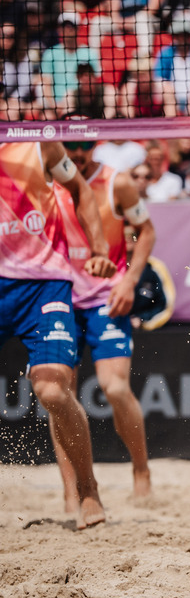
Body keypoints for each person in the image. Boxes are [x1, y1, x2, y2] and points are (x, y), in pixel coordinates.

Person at [0, 140, 116, 529]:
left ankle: (87, 490)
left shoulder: (38, 145)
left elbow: (81, 189)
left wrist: (99, 246)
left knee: (51, 389)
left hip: (44, 282)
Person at [50, 141, 157, 503]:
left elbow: (147, 230)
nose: (77, 152)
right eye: (71, 146)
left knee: (114, 388)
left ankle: (141, 470)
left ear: (93, 145)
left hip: (104, 297)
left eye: (83, 145)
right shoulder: (44, 181)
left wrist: (129, 280)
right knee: (58, 393)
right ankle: (73, 490)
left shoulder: (117, 182)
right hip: (58, 295)